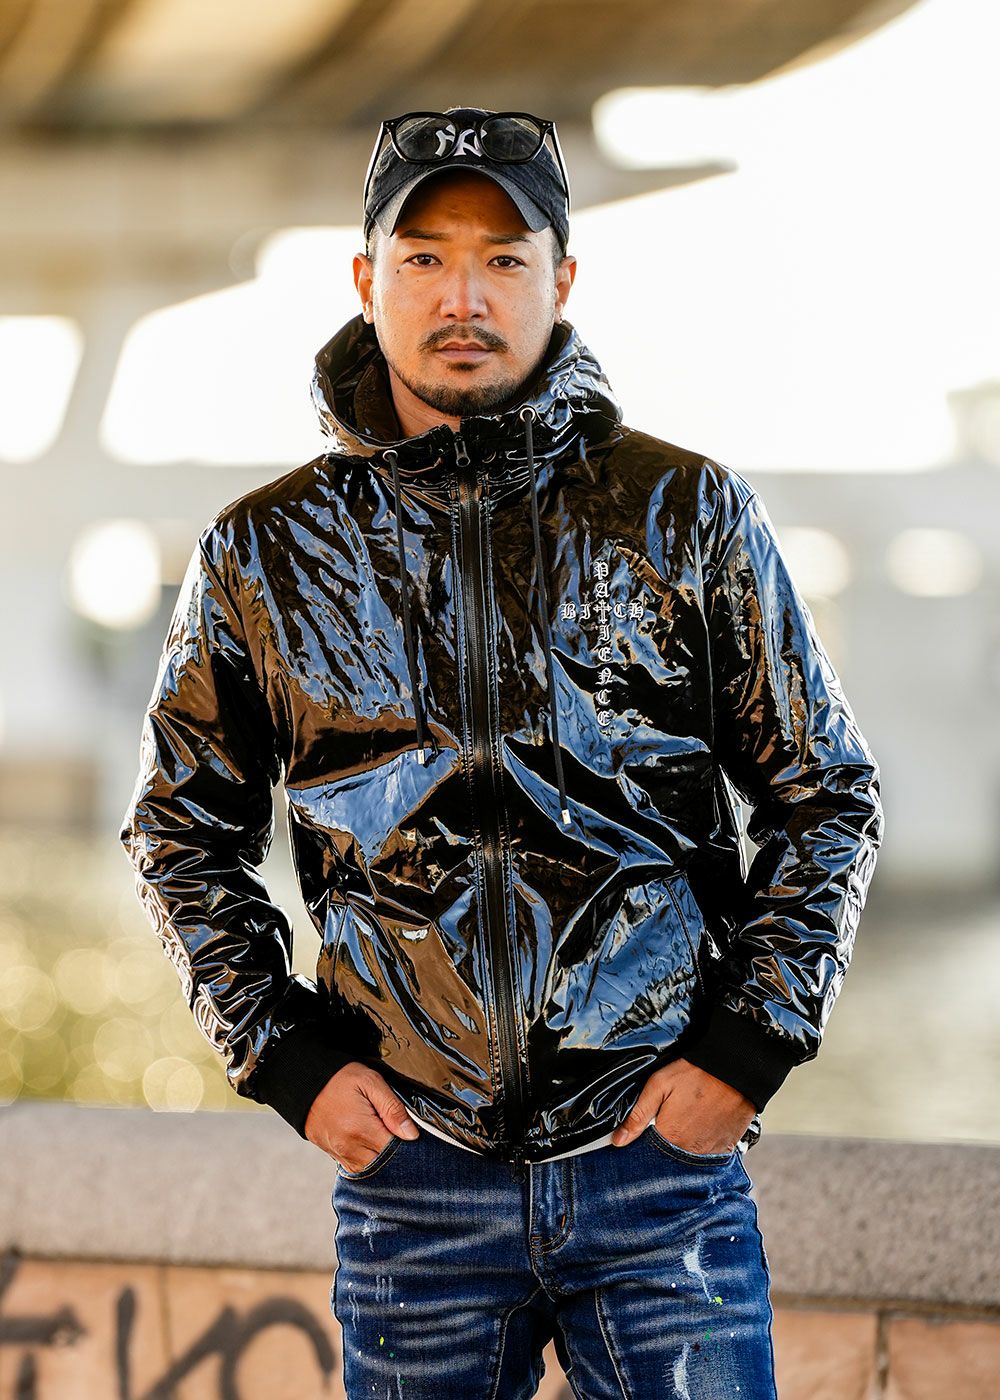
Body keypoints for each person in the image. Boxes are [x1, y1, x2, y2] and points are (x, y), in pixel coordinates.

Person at [119, 106, 884, 1397]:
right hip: (415, 1177)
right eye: (424, 257)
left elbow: (828, 795)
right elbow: (179, 834)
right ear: (366, 278)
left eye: (503, 259)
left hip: (657, 1168)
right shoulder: (264, 550)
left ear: (561, 279)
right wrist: (291, 1063)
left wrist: (741, 1056)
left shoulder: (684, 510)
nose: (462, 297)